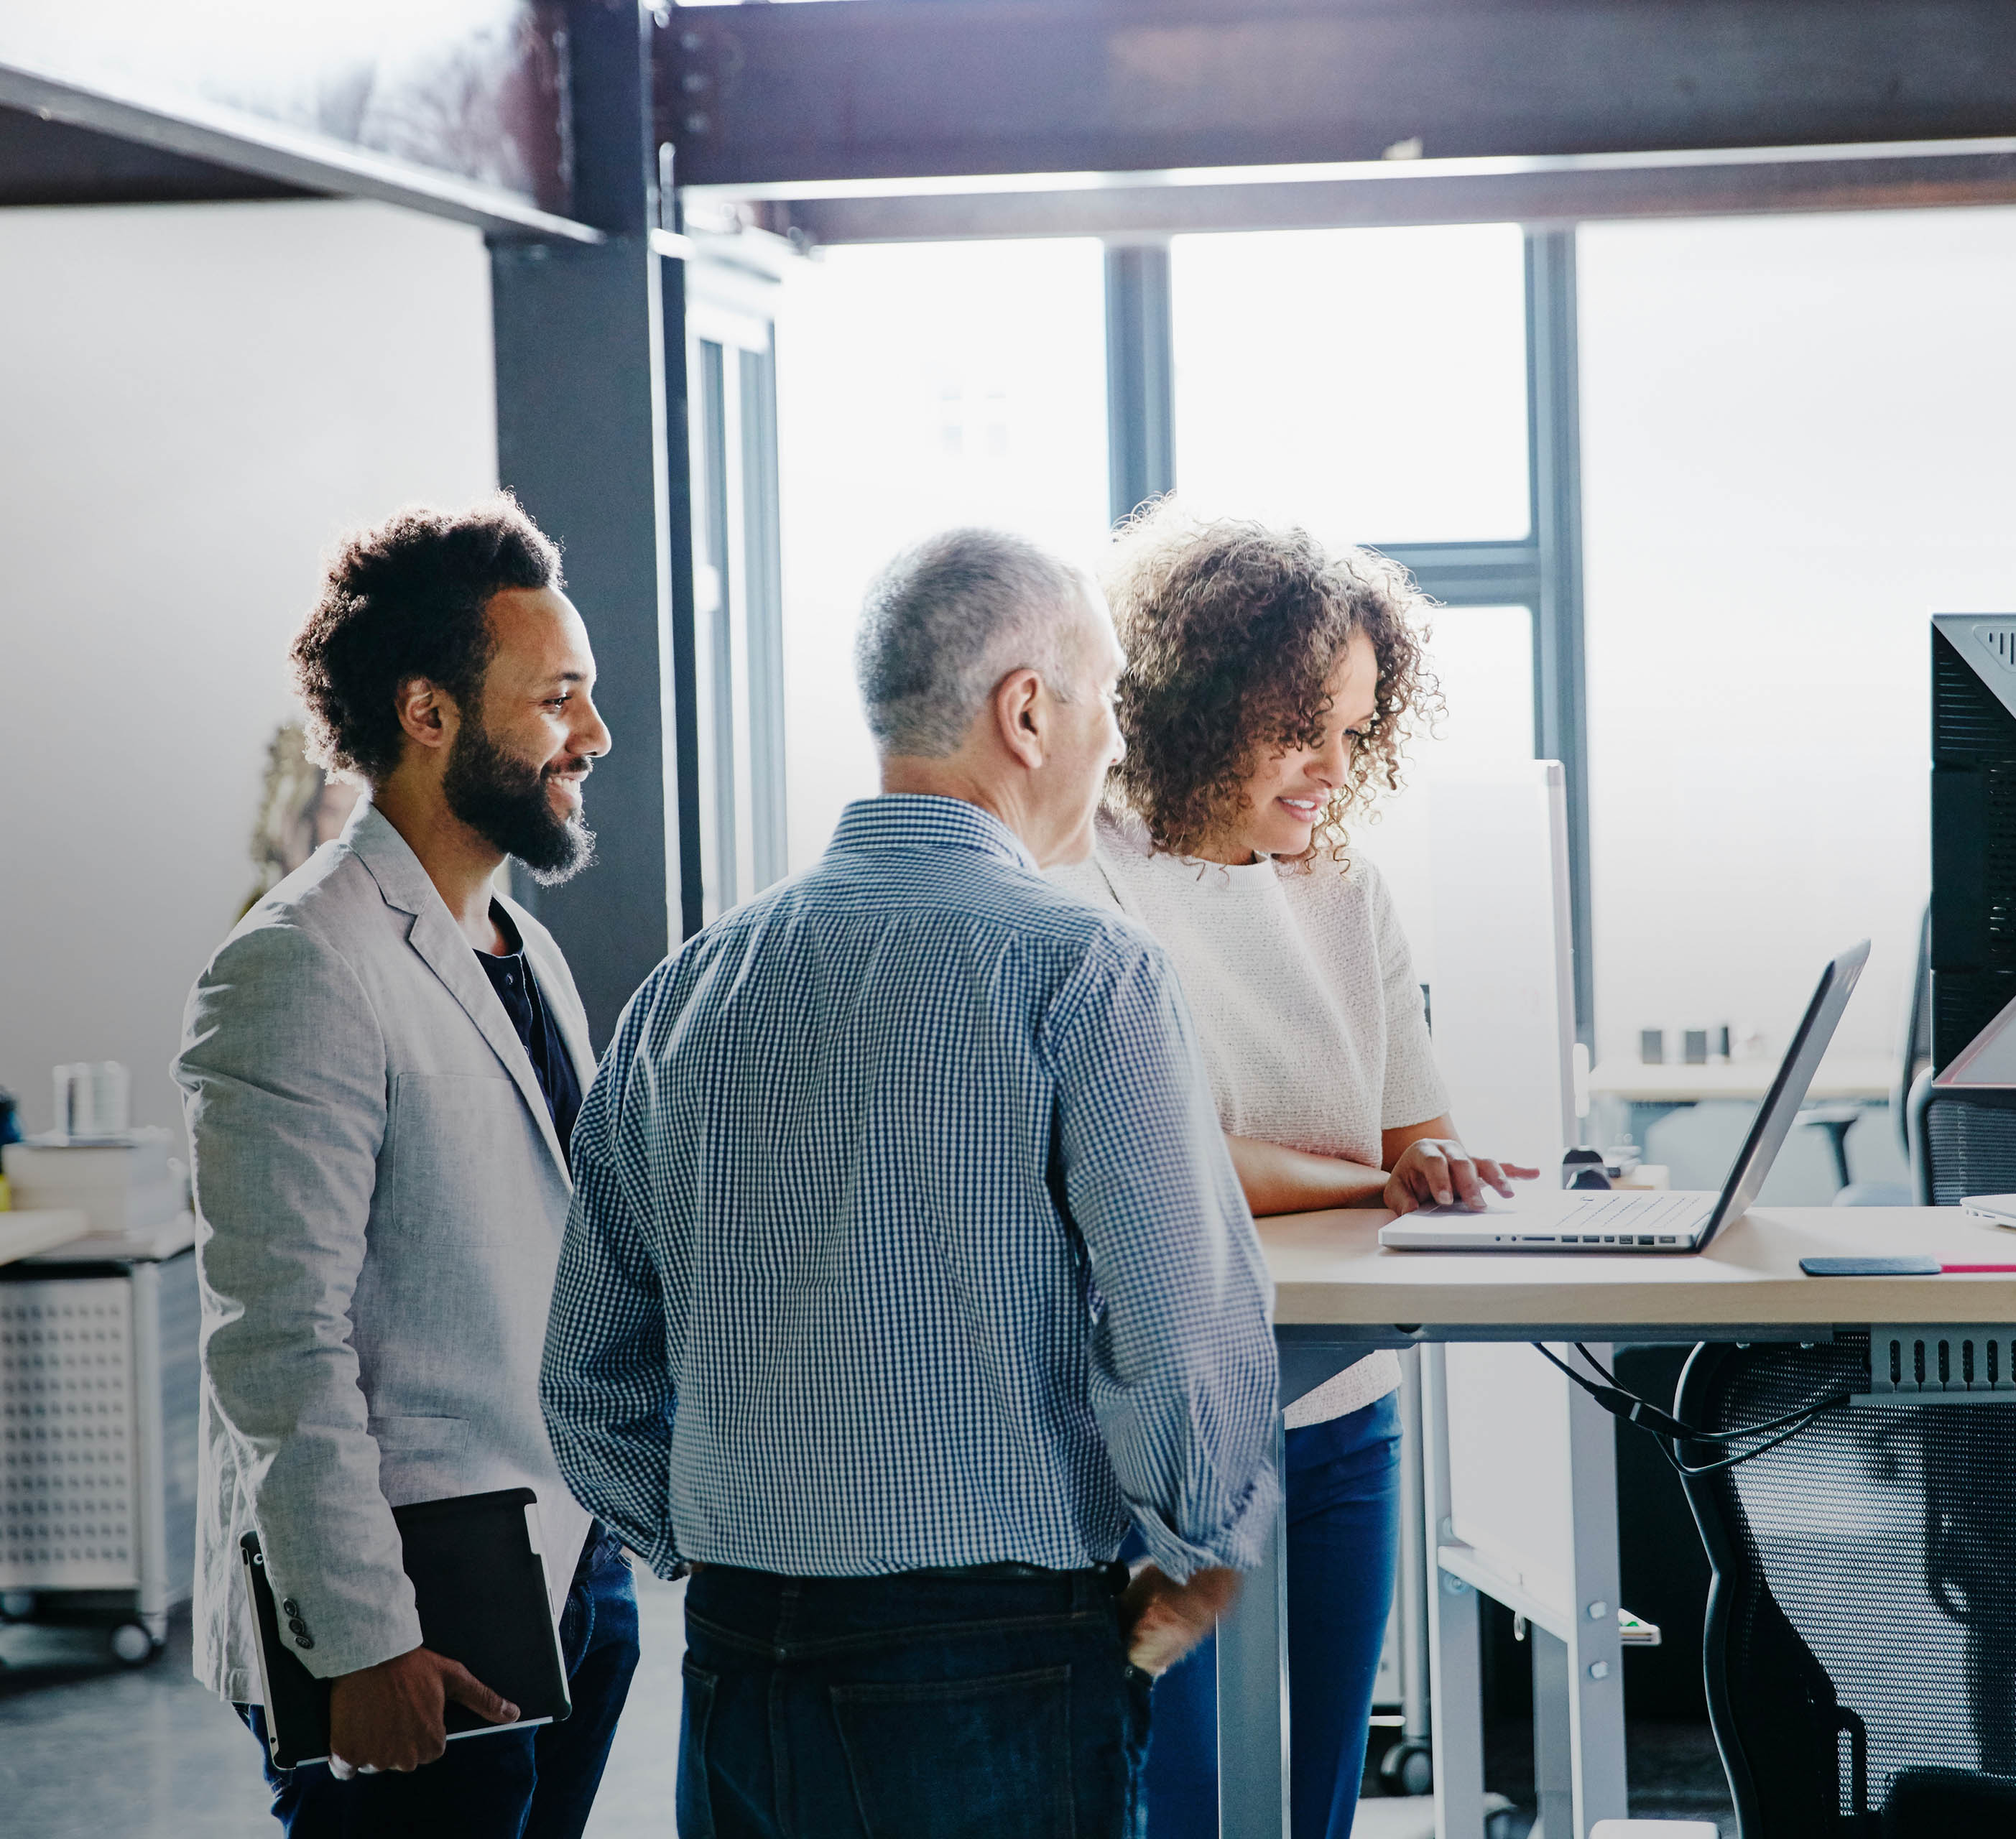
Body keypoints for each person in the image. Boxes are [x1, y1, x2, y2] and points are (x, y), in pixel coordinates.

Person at [542, 527, 1281, 1839]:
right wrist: (1201, 1557)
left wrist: (732, 1532)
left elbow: (589, 1378)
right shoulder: (1082, 968)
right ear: (1029, 711)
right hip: (991, 1650)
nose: (1116, 743)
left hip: (738, 1648)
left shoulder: (690, 989)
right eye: (1104, 701)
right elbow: (1180, 1318)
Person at [1055, 503, 1537, 1839]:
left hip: (1343, 1416)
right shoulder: (1089, 878)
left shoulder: (1344, 889)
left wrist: (1431, 1171)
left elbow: (1405, 1134)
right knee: (1188, 1805)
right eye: (1297, 728)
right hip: (1165, 1424)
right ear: (1199, 708)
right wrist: (1358, 1182)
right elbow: (1156, 1164)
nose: (1333, 764)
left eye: (1353, 728)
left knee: (1311, 1808)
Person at [175, 499, 636, 1837]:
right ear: (429, 714)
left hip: (566, 1572)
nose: (593, 737)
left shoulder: (520, 949)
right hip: (415, 1609)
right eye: (557, 700)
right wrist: (361, 1643)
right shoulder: (298, 965)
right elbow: (276, 1342)